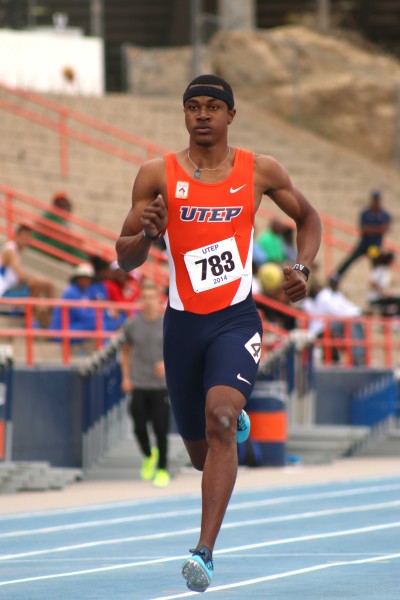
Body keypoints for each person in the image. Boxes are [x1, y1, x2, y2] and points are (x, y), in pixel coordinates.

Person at [115, 74, 321, 593]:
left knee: (222, 418)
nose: (202, 114)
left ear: (231, 115)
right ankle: (231, 419)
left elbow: (309, 216)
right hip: (182, 325)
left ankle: (203, 552)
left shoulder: (259, 171)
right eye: (192, 107)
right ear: (184, 116)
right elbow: (124, 257)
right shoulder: (154, 175)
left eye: (213, 106)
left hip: (234, 319)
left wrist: (304, 267)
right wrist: (147, 233)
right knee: (202, 455)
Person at [120, 281, 170, 487]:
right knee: (138, 427)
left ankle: (162, 469)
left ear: (159, 300)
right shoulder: (132, 325)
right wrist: (126, 377)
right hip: (139, 382)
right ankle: (149, 455)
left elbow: (180, 349)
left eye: (152, 298)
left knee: (160, 429)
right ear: (140, 301)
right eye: (145, 298)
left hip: (161, 386)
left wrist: (168, 364)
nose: (148, 302)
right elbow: (125, 352)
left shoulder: (168, 323)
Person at [333, 190, 391, 279]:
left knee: (376, 264)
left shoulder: (384, 215)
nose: (375, 202)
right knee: (351, 259)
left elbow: (384, 229)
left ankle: (377, 282)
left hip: (374, 246)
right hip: (364, 244)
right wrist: (378, 229)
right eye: (374, 200)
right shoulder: (366, 213)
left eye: (377, 200)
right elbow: (364, 229)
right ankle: (336, 276)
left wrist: (371, 229)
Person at [0, 224, 55, 299]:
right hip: (4, 289)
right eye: (24, 238)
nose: (26, 241)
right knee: (43, 283)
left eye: (28, 238)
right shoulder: (11, 251)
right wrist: (37, 279)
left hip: (9, 286)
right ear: (17, 236)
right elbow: (21, 277)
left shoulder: (15, 250)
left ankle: (40, 308)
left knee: (41, 285)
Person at [33, 192, 87, 262]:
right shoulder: (51, 215)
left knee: (75, 245)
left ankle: (85, 265)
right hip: (41, 247)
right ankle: (84, 265)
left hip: (50, 245)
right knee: (72, 245)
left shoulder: (62, 220)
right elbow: (60, 236)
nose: (67, 208)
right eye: (63, 204)